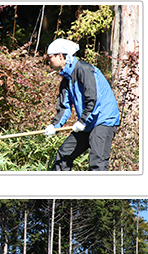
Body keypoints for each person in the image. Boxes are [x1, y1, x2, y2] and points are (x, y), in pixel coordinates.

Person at [44, 39, 120, 172]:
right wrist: (54, 126)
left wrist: (82, 121)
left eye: (49, 57)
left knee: (97, 162)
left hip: (104, 120)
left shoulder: (84, 70)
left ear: (60, 56)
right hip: (87, 123)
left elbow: (94, 100)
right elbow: (64, 108)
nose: (47, 61)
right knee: (63, 154)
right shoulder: (66, 80)